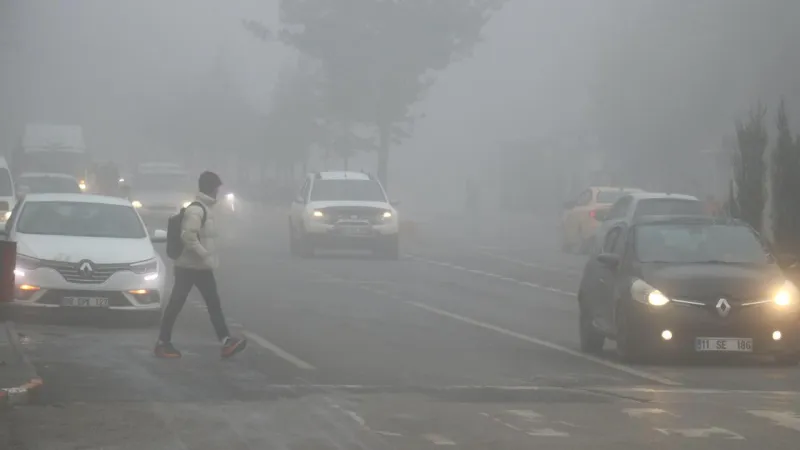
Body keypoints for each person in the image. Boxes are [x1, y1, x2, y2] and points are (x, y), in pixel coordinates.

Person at [154, 171, 247, 359]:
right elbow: (188, 237)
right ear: (212, 189)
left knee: (212, 304)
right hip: (189, 267)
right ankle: (163, 343)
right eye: (217, 188)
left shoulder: (205, 208)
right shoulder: (197, 210)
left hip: (199, 267)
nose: (218, 192)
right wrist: (205, 254)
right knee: (178, 304)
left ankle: (226, 341)